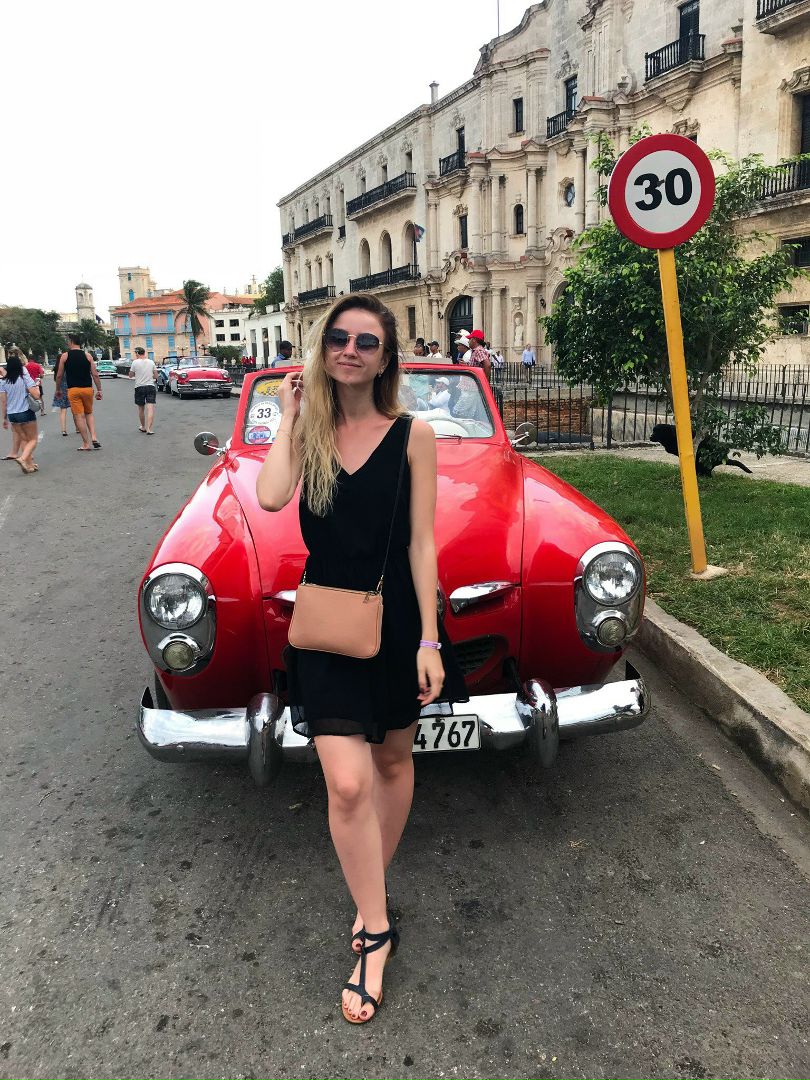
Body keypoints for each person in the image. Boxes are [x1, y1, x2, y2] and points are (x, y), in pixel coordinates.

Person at [256, 293, 467, 1025]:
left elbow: (422, 543)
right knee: (347, 785)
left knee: (393, 764)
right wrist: (288, 416)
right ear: (323, 349)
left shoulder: (414, 435)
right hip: (325, 624)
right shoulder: (308, 431)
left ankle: (369, 890)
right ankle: (377, 933)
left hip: (399, 622)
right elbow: (270, 495)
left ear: (386, 359)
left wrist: (431, 639)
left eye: (366, 342)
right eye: (338, 338)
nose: (350, 350)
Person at [55, 334, 103, 451]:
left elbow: (59, 375)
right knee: (89, 413)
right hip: (87, 389)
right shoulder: (87, 355)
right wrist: (99, 389)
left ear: (71, 341)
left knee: (79, 416)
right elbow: (95, 374)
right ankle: (94, 437)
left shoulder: (65, 356)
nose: (67, 343)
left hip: (73, 390)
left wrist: (58, 389)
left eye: (68, 341)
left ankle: (86, 443)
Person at [0, 348, 41, 474]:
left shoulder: (3, 381)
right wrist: (37, 385)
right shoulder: (23, 376)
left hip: (12, 415)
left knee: (24, 439)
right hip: (25, 412)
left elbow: (3, 402)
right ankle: (22, 459)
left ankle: (29, 465)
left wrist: (5, 418)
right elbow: (36, 395)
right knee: (33, 439)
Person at [128, 346, 158, 434]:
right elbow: (156, 376)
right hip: (150, 386)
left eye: (135, 353)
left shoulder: (135, 362)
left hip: (139, 387)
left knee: (141, 409)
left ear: (137, 353)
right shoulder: (151, 362)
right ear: (144, 353)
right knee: (150, 408)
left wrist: (136, 373)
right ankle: (149, 429)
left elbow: (130, 375)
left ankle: (143, 427)